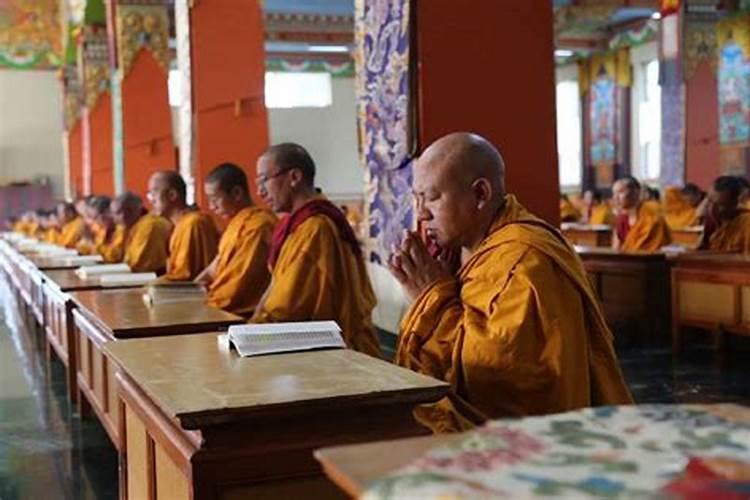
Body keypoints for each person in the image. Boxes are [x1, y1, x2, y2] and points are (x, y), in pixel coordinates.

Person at [388, 132, 632, 433]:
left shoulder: (526, 260)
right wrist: (424, 292)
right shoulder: (459, 249)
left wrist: (431, 295)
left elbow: (498, 377)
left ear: (480, 194)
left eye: (433, 198)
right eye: (417, 198)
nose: (422, 214)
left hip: (529, 444)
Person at [250, 143, 381, 357]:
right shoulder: (296, 224)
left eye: (264, 180)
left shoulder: (315, 228)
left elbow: (288, 307)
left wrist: (252, 332)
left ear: (294, 177)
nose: (259, 191)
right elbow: (278, 284)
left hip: (335, 351)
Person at [195, 163, 276, 317]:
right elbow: (215, 267)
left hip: (241, 313)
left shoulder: (259, 226)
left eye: (215, 199)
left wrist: (210, 303)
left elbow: (241, 282)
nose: (212, 207)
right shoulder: (235, 224)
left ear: (237, 193)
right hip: (219, 303)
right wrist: (189, 292)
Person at [147, 171, 219, 281]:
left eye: (153, 193)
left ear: (172, 195)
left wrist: (151, 285)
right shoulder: (179, 224)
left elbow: (184, 276)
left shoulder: (193, 223)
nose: (151, 200)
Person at [112, 192, 172, 273]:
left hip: (155, 275)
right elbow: (116, 256)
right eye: (115, 213)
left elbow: (138, 264)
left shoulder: (149, 225)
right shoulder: (129, 226)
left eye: (118, 213)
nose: (121, 217)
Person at [612, 176, 672, 251]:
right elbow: (616, 249)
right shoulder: (621, 219)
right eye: (614, 193)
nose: (616, 197)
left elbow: (657, 248)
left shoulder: (652, 216)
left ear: (636, 192)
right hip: (626, 261)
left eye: (621, 192)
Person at [704, 176, 750, 253]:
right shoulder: (711, 221)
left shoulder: (746, 223)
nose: (712, 208)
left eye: (720, 205)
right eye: (710, 201)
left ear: (734, 203)